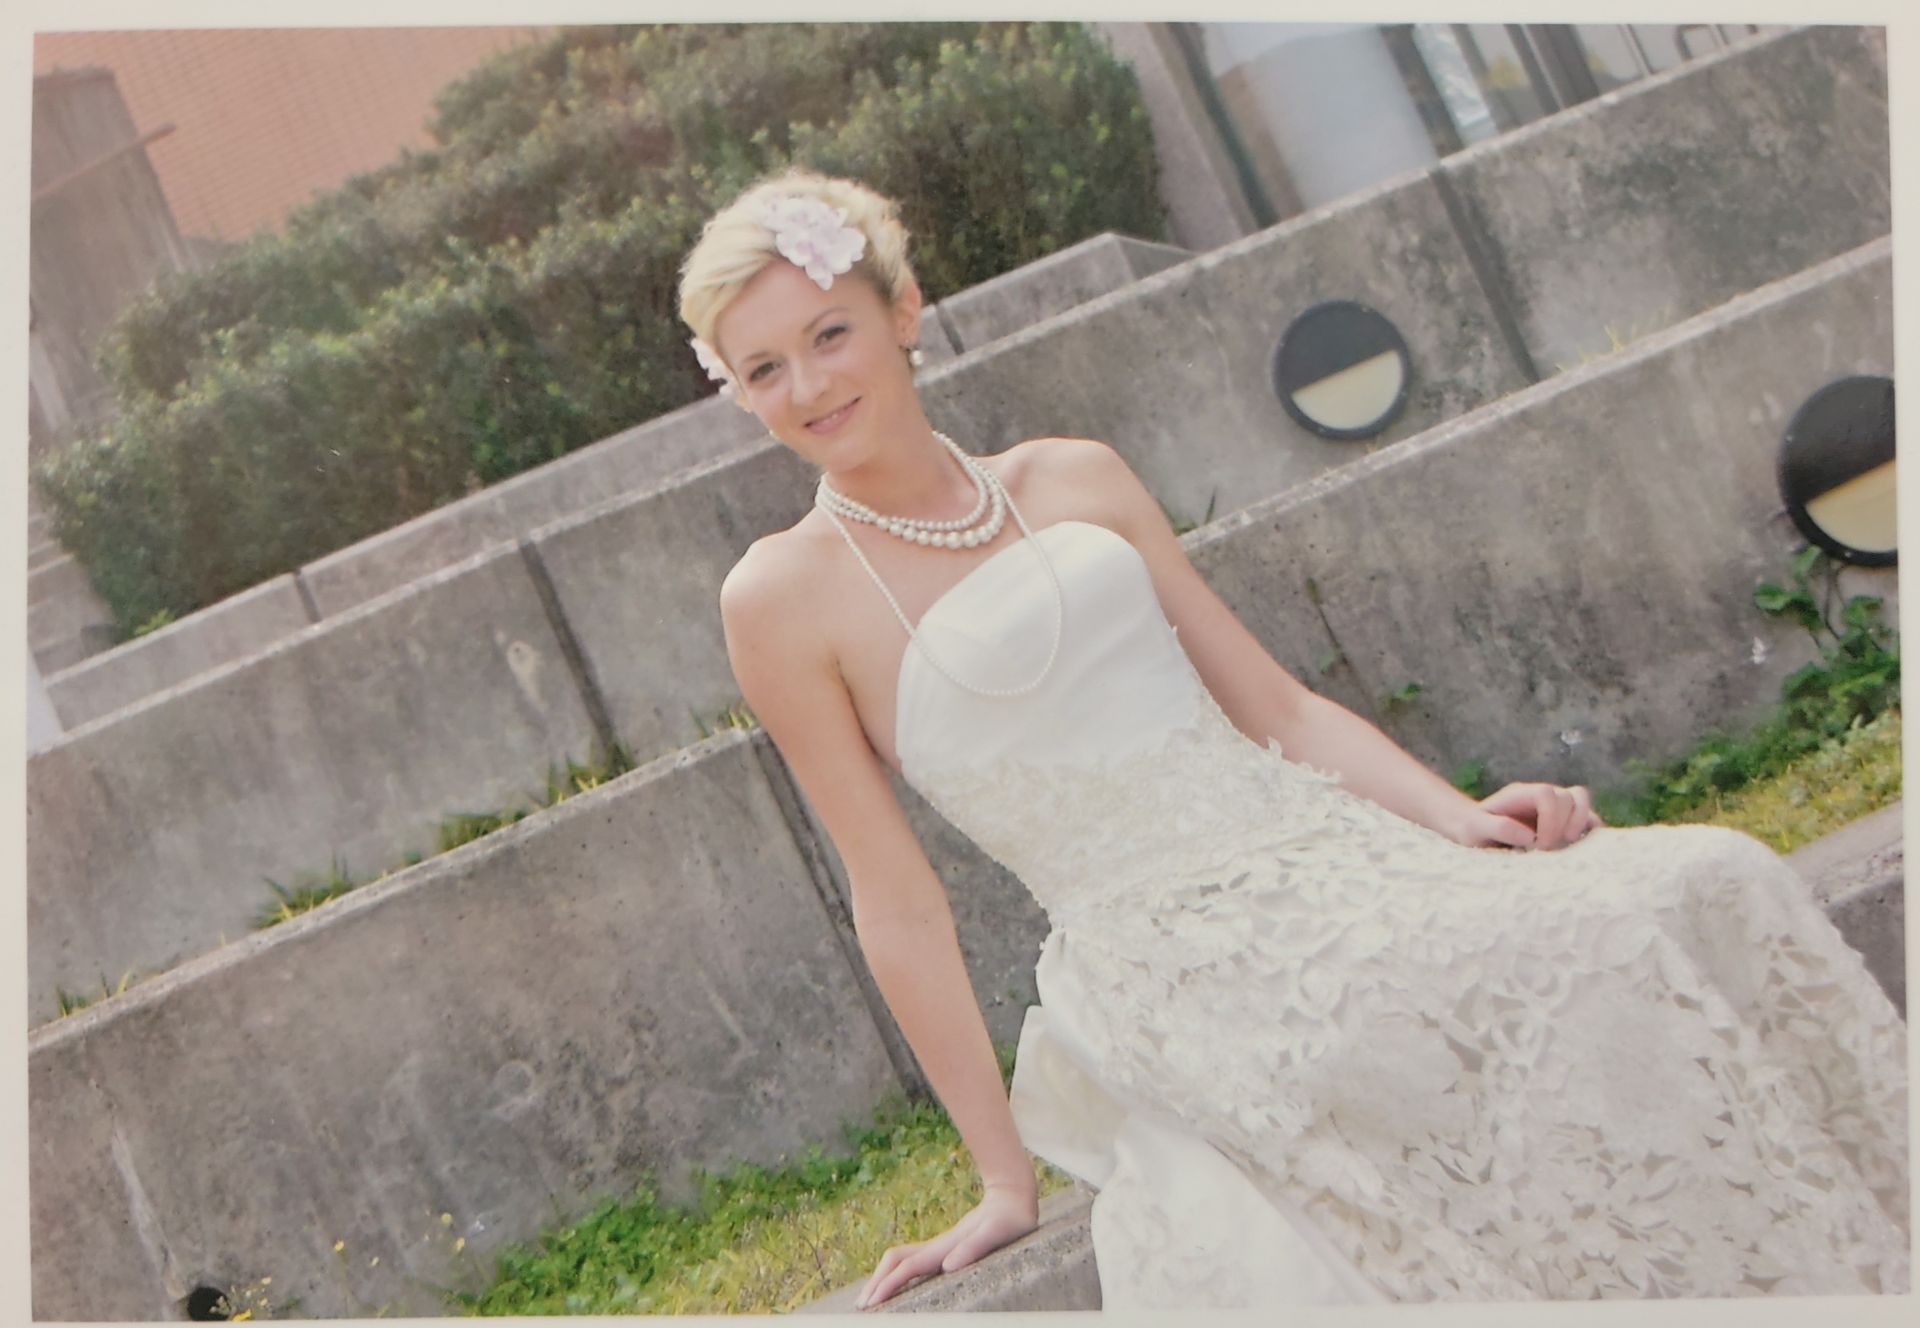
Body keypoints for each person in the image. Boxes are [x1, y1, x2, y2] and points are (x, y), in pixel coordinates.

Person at [676, 167, 1910, 1309]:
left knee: (1693, 883)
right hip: (1159, 960)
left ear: (904, 311)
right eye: (764, 369)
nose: (810, 387)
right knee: (1401, 1037)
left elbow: (1277, 706)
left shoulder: (1076, 477)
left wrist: (1451, 815)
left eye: (828, 333)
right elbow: (894, 902)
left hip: (1324, 852)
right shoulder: (779, 600)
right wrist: (1006, 1181)